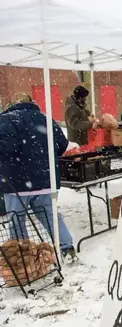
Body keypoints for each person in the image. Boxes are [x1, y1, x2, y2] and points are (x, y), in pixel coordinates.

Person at [0, 92, 78, 263]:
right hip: (45, 181)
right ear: (31, 103)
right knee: (50, 216)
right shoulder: (45, 119)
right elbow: (62, 145)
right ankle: (67, 248)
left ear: (11, 104)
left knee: (16, 220)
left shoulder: (6, 120)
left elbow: (5, 149)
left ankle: (23, 256)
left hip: (16, 183)